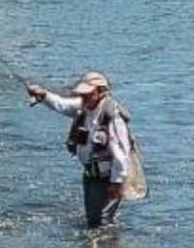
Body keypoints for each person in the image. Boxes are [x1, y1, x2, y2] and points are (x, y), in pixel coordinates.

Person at [26, 71, 132, 228]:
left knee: (101, 222)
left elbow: (122, 155)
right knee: (94, 221)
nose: (84, 97)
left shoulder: (112, 117)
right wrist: (44, 95)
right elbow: (61, 104)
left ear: (101, 92)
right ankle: (102, 247)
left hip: (107, 178)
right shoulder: (85, 106)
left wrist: (115, 184)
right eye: (83, 94)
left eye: (88, 94)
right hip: (90, 174)